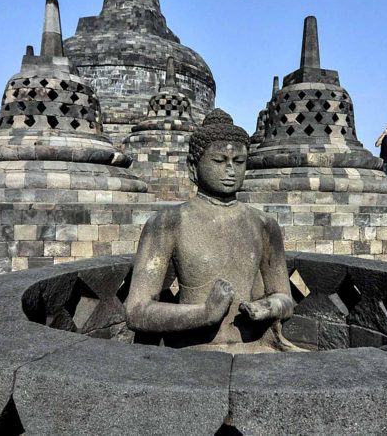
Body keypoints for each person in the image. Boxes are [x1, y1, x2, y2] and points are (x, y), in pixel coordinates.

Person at [125, 109, 300, 354]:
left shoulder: (263, 224)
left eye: (238, 162)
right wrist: (204, 313)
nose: (230, 170)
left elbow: (285, 298)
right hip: (193, 351)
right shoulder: (167, 223)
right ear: (193, 167)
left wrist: (269, 307)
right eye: (219, 161)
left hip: (254, 348)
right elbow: (136, 310)